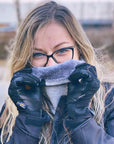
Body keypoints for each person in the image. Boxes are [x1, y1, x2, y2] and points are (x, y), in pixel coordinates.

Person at [0, 1, 114, 144]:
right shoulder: (14, 108)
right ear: (27, 59)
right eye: (38, 54)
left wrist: (81, 121)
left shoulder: (109, 99)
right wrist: (28, 122)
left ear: (79, 48)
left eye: (61, 51)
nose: (51, 64)